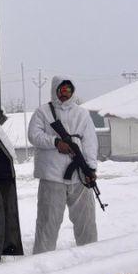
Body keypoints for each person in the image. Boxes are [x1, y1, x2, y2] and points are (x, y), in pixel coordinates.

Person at [27, 75, 99, 253]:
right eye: (62, 90)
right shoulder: (43, 112)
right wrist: (55, 142)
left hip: (79, 177)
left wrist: (90, 169)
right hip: (51, 177)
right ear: (55, 90)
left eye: (68, 90)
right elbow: (33, 135)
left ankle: (92, 259)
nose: (65, 94)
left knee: (86, 223)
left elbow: (90, 142)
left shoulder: (82, 114)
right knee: (47, 224)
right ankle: (41, 264)